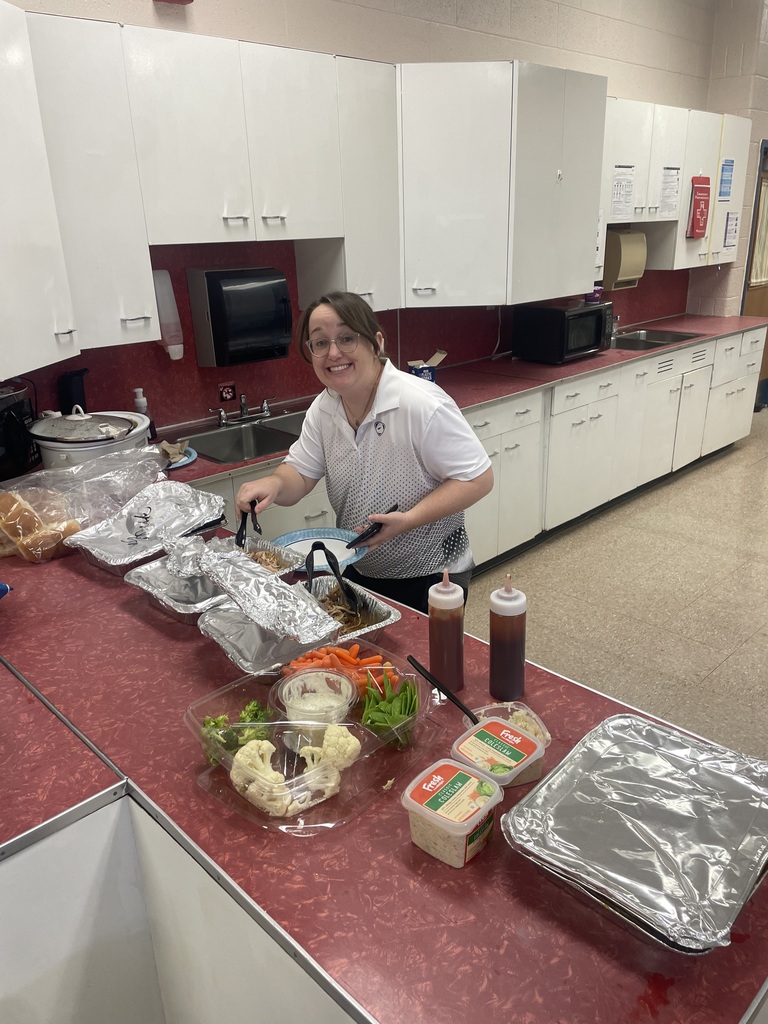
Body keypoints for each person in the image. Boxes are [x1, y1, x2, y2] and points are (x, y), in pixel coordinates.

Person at [235, 291, 493, 613]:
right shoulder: (324, 408)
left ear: (377, 343)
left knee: (424, 660)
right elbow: (300, 474)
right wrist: (273, 484)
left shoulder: (421, 404)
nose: (333, 353)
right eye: (320, 343)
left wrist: (409, 520)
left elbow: (478, 479)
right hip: (360, 561)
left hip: (433, 570)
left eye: (346, 338)